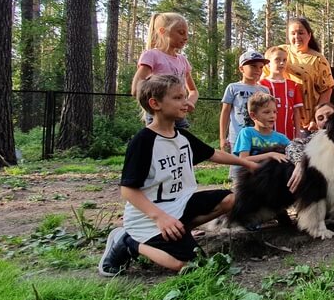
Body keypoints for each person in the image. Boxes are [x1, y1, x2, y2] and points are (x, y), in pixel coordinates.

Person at [98, 74, 260, 276]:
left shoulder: (181, 136)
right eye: (178, 98)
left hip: (180, 205)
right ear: (155, 103)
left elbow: (213, 154)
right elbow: (128, 190)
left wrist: (247, 163)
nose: (186, 103)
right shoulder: (144, 141)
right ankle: (128, 242)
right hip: (150, 216)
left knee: (230, 199)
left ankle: (177, 233)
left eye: (185, 97)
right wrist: (160, 218)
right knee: (189, 264)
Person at [131, 12, 199, 124]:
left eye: (187, 34)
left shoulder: (182, 60)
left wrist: (189, 102)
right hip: (158, 117)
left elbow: (193, 90)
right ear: (163, 31)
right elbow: (136, 89)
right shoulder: (152, 55)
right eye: (181, 33)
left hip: (178, 116)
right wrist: (157, 104)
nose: (186, 37)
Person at [220, 50, 269, 183]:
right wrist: (222, 137)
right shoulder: (233, 88)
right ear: (241, 68)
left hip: (259, 137)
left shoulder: (265, 90)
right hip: (238, 136)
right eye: (253, 66)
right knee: (239, 170)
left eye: (260, 67)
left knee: (258, 169)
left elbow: (269, 113)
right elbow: (225, 112)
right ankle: (236, 195)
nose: (258, 70)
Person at [281, 17, 334, 131]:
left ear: (309, 35)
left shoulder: (318, 59)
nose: (297, 37)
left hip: (308, 123)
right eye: (293, 33)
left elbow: (326, 89)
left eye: (301, 33)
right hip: (282, 117)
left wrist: (315, 118)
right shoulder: (280, 53)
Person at [233, 91, 291, 164]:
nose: (272, 116)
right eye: (267, 112)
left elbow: (294, 153)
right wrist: (271, 155)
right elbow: (243, 159)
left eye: (275, 112)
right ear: (253, 115)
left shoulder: (281, 138)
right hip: (252, 174)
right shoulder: (247, 133)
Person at [261, 45, 304, 140]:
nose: (282, 63)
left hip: (288, 135)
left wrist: (298, 133)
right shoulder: (261, 85)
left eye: (284, 60)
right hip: (266, 136)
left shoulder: (293, 85)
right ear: (268, 64)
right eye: (277, 59)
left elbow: (296, 111)